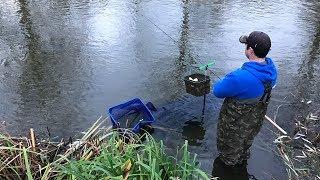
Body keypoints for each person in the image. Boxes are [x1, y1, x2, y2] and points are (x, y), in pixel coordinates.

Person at [213, 31, 277, 166]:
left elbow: (217, 91)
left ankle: (228, 171)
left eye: (246, 45)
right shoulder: (272, 71)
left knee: (228, 156)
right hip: (254, 123)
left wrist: (230, 78)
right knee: (245, 145)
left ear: (251, 50)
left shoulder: (239, 77)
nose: (245, 47)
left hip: (234, 126)